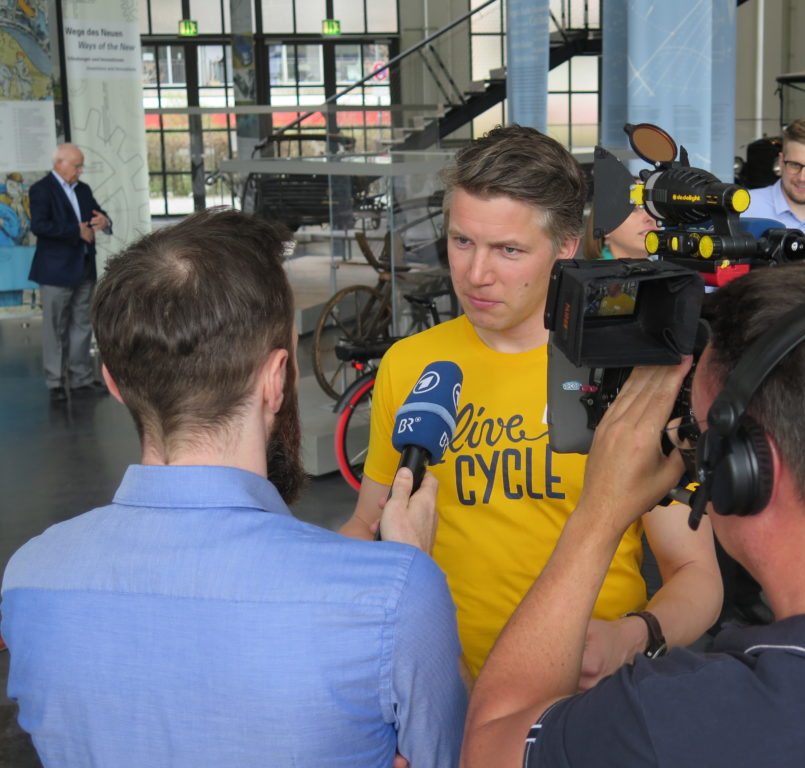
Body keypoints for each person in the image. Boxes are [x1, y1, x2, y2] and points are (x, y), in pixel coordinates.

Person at [462, 260, 805, 768]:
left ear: (745, 470)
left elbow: (489, 746)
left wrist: (598, 516)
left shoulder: (670, 721)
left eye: (700, 438)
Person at [1, 208, 465, 767]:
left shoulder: (30, 576)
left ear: (114, 385)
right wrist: (414, 566)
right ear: (277, 380)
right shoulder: (394, 595)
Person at [343, 124, 722, 684]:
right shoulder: (410, 363)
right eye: (461, 241)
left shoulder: (633, 374)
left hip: (583, 705)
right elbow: (367, 524)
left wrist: (631, 636)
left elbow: (697, 574)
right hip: (446, 692)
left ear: (565, 247)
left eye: (509, 250)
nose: (475, 274)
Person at [28, 143, 112, 402]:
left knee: (82, 325)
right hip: (55, 271)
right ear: (59, 163)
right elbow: (39, 226)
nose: (80, 170)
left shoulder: (83, 189)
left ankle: (81, 379)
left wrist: (104, 221)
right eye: (76, 165)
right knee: (55, 328)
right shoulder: (41, 190)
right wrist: (75, 230)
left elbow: (97, 214)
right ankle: (55, 381)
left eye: (81, 165)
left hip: (84, 267)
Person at [581, 197, 658, 260]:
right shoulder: (590, 277)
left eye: (652, 208)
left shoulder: (666, 268)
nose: (650, 217)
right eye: (633, 209)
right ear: (604, 224)